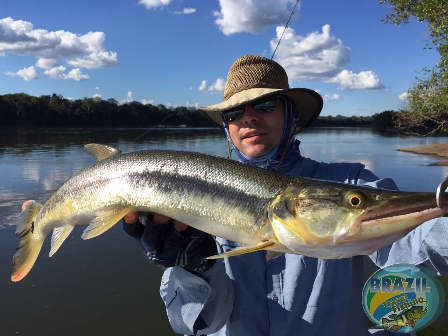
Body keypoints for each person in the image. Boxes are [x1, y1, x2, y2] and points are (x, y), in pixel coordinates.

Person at [123, 55, 448, 335]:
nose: (248, 117)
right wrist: (192, 267)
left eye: (264, 105)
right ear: (227, 127)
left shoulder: (349, 181)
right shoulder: (198, 190)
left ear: (291, 116)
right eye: (234, 113)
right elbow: (200, 324)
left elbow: (420, 239)